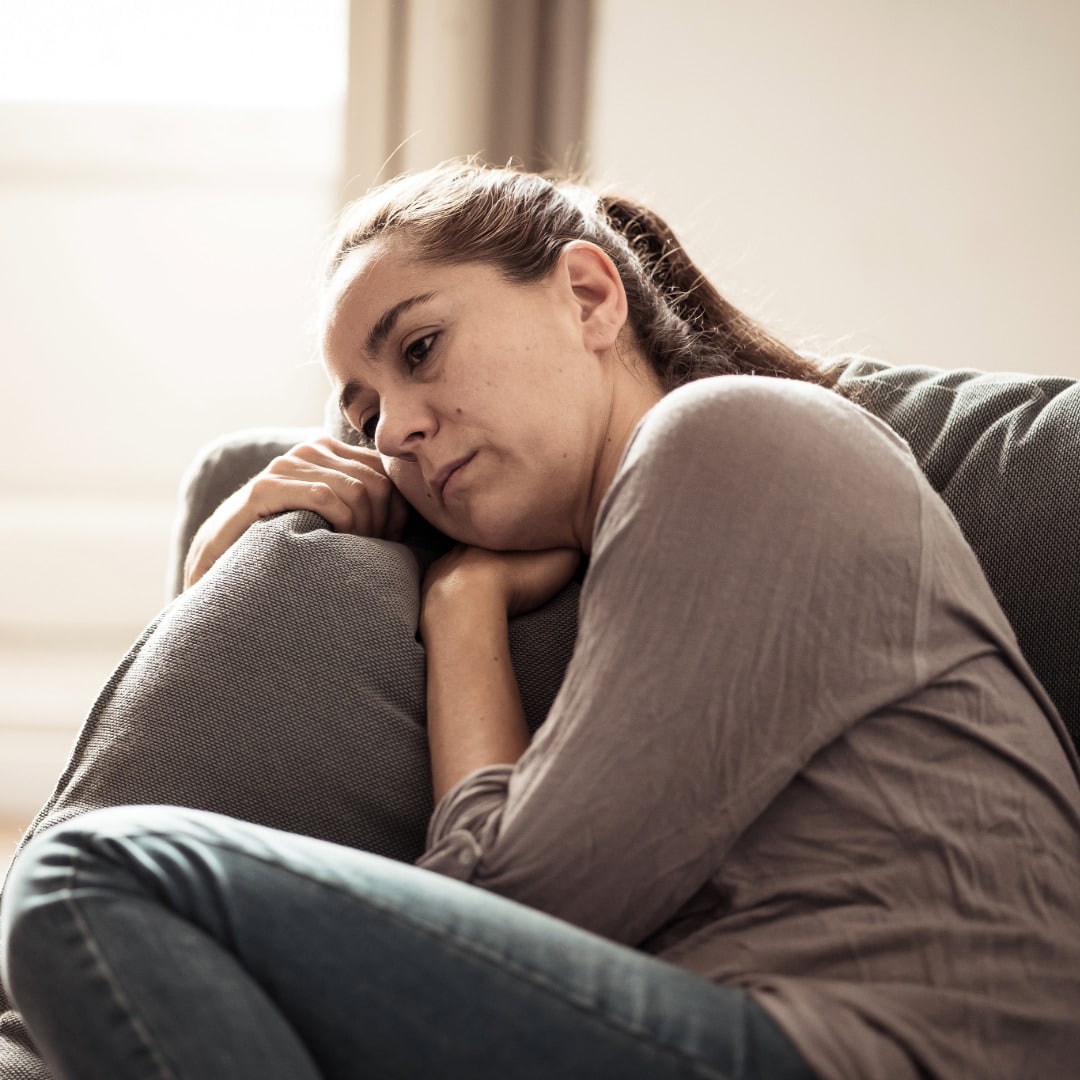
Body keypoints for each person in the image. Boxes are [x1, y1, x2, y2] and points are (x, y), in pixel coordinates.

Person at [2, 161, 1080, 1080]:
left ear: (589, 294)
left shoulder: (736, 439)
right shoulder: (635, 548)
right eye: (365, 410)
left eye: (418, 350)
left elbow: (513, 905)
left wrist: (463, 611)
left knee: (93, 876)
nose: (396, 434)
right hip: (732, 1023)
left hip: (874, 1049)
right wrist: (219, 557)